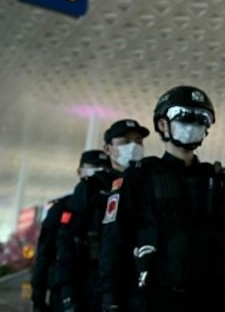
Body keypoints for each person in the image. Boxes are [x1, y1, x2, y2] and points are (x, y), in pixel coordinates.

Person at [98, 86, 225, 312]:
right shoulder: (140, 176)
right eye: (185, 117)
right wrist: (111, 300)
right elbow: (115, 242)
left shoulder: (215, 181)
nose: (194, 124)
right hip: (153, 298)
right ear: (162, 125)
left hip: (207, 300)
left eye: (202, 118)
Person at [56, 120, 149, 312]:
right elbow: (66, 240)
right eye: (125, 141)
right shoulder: (92, 188)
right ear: (108, 149)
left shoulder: (149, 184)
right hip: (95, 283)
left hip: (138, 280)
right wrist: (67, 293)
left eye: (138, 140)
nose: (133, 146)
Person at [32, 152, 110, 312]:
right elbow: (44, 254)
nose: (98, 172)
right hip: (65, 290)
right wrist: (38, 299)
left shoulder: (111, 208)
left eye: (103, 168)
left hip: (99, 290)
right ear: (80, 171)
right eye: (93, 167)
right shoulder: (63, 208)